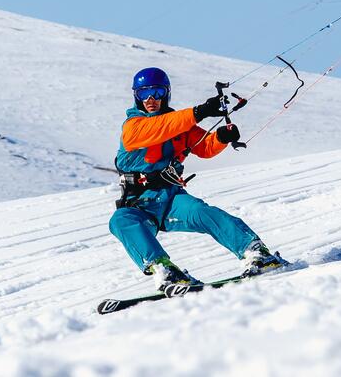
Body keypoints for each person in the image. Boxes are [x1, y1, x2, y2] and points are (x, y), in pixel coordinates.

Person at [110, 67, 286, 291]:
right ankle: (164, 270)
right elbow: (159, 128)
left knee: (204, 213)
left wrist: (222, 137)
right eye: (144, 93)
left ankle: (257, 253)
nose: (151, 99)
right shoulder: (133, 127)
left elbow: (204, 147)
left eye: (157, 92)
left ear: (167, 94)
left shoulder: (180, 125)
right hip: (140, 203)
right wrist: (200, 111)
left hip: (171, 199)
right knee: (120, 221)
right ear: (136, 96)